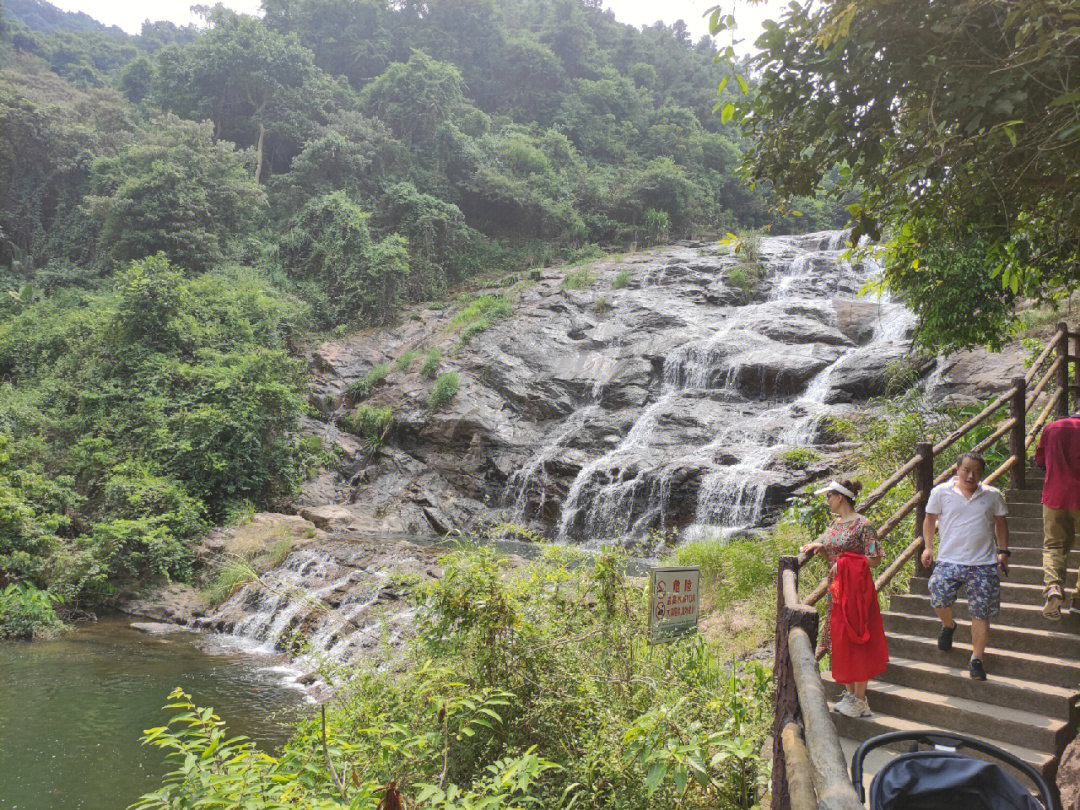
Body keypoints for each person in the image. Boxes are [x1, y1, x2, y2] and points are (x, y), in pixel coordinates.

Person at [800, 477, 887, 718]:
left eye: (829, 496)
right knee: (841, 638)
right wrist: (817, 547)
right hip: (838, 590)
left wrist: (846, 562)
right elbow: (830, 554)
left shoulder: (863, 524)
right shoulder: (835, 525)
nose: (827, 500)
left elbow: (875, 558)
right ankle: (850, 696)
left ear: (840, 497)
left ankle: (860, 699)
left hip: (857, 591)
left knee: (858, 637)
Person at [921, 451, 1009, 680]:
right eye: (966, 470)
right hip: (949, 559)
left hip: (983, 563)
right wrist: (928, 547)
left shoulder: (993, 496)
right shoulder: (940, 492)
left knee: (981, 611)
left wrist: (1003, 551)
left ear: (982, 474)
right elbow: (930, 519)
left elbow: (1001, 524)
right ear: (957, 469)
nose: (971, 476)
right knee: (938, 595)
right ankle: (949, 625)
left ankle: (977, 659)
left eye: (977, 472)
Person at [1034, 409, 1080, 620]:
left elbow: (1040, 460)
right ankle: (1078, 599)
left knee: (1054, 546)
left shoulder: (1051, 428)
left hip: (1055, 496)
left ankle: (1053, 587)